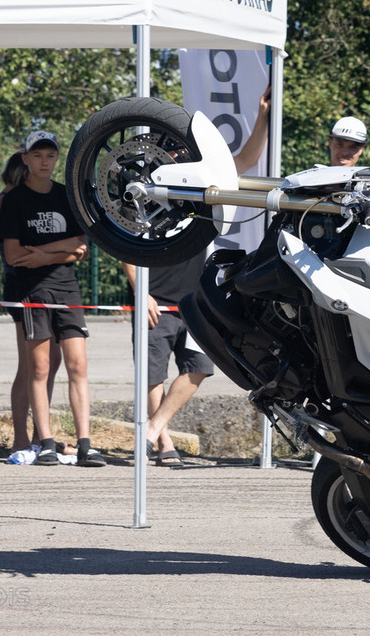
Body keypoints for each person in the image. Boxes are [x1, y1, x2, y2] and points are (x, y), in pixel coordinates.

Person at [137, 88, 272, 465]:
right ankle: (163, 444)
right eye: (171, 146)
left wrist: (262, 115)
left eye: (182, 146)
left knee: (198, 369)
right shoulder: (150, 180)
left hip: (194, 296)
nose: (178, 152)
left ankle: (151, 429)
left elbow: (246, 159)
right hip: (157, 295)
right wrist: (140, 290)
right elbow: (127, 243)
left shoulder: (204, 175)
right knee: (152, 376)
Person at [0, 130, 99, 466]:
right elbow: (13, 255)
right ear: (25, 159)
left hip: (67, 288)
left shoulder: (67, 195)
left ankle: (85, 443)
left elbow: (81, 247)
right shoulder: (12, 200)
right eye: (38, 155)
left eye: (51, 155)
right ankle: (45, 443)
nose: (45, 161)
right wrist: (62, 249)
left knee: (77, 365)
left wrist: (43, 253)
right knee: (39, 367)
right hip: (32, 291)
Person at [0, 150, 57, 453]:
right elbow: (19, 250)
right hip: (21, 286)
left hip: (51, 285)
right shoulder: (6, 201)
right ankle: (21, 437)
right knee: (30, 365)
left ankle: (40, 434)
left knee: (51, 361)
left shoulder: (30, 199)